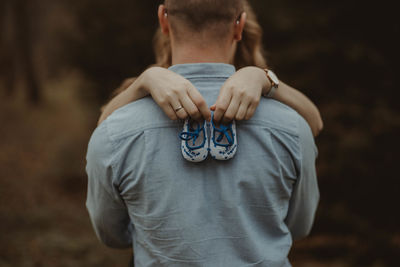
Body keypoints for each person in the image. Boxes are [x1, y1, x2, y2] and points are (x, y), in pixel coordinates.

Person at [86, 0, 319, 266]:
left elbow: (112, 234)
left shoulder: (116, 130)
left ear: (163, 19)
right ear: (239, 25)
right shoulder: (291, 126)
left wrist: (148, 232)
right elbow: (299, 226)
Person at [98, 0, 323, 137]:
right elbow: (103, 131)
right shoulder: (144, 89)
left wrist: (262, 78)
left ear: (163, 21)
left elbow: (315, 123)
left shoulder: (259, 90)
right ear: (239, 26)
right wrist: (144, 81)